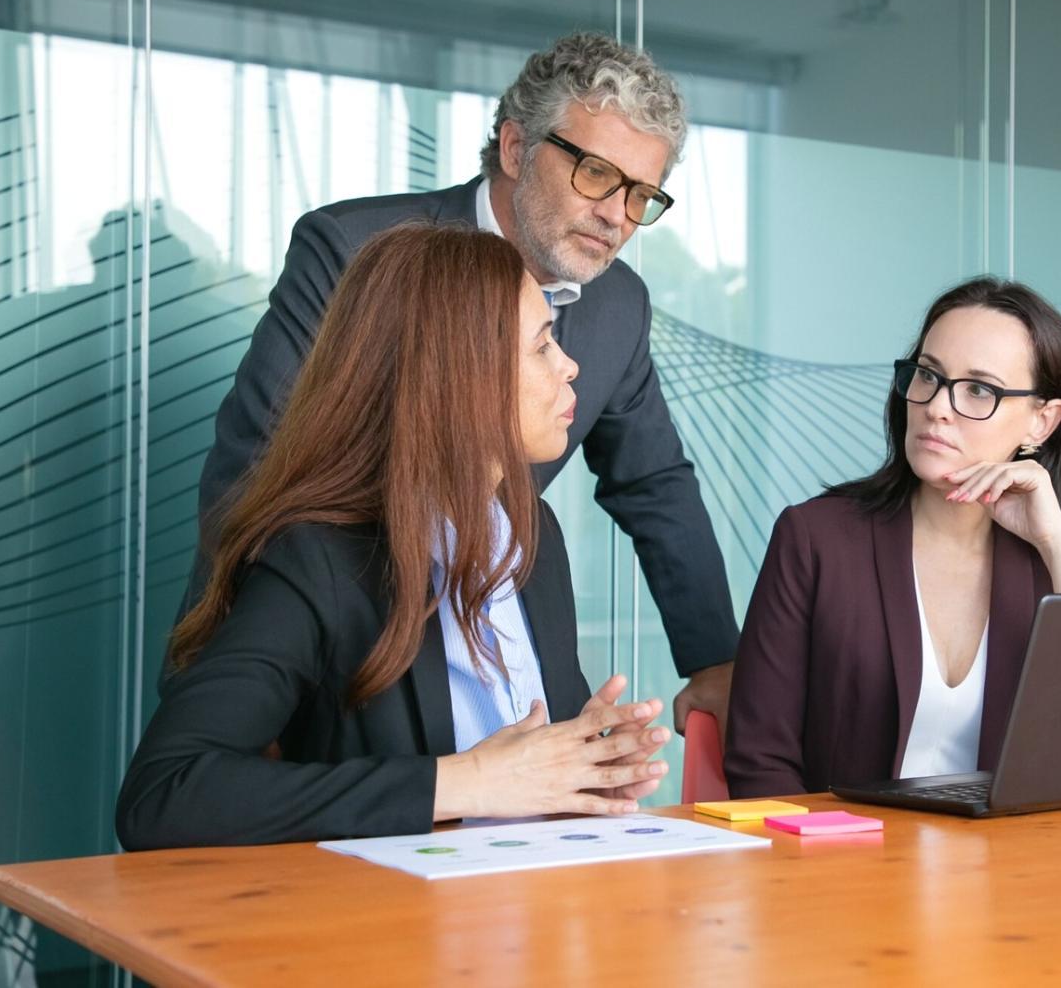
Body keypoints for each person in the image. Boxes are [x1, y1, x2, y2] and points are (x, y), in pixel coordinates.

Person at [179, 31, 736, 734]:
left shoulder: (617, 304)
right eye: (596, 174)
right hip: (328, 659)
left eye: (640, 195)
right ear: (514, 149)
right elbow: (255, 467)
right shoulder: (355, 252)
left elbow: (654, 483)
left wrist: (712, 658)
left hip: (494, 650)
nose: (616, 216)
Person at [117, 224, 672, 849]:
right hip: (391, 933)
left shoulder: (533, 534)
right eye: (543, 344)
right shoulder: (317, 558)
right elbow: (164, 794)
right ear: (460, 375)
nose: (571, 366)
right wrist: (468, 782)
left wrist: (582, 773)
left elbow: (524, 787)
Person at [723, 278, 1061, 797]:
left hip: (1017, 868)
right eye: (928, 376)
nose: (937, 407)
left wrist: (1058, 543)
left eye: (979, 389)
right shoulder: (817, 539)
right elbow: (760, 761)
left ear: (1041, 423)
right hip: (844, 865)